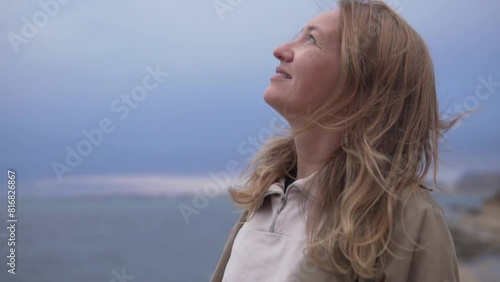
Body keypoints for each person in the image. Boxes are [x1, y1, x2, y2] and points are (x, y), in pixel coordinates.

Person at [210, 0, 461, 281]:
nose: (280, 50)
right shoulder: (264, 199)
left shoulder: (410, 219)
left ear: (364, 86)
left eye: (312, 40)